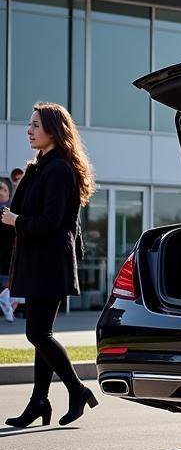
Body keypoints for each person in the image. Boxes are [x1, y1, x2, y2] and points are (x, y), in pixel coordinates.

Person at [3, 102, 98, 429]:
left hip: (50, 264)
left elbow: (50, 221)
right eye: (29, 125)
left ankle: (77, 389)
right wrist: (29, 173)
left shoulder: (60, 170)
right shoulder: (43, 166)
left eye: (35, 125)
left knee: (37, 333)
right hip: (38, 263)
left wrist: (18, 221)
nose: (28, 131)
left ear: (53, 130)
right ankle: (39, 402)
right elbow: (14, 210)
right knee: (41, 333)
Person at [0, 179, 16, 322]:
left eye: (4, 189)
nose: (1, 192)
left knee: (6, 282)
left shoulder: (12, 208)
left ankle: (8, 303)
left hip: (8, 252)